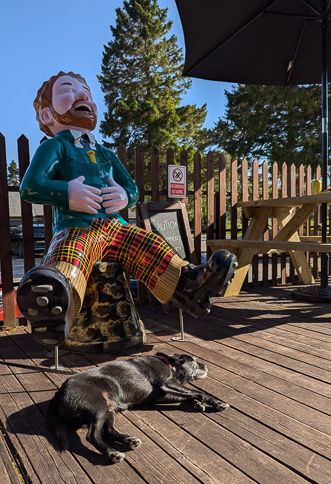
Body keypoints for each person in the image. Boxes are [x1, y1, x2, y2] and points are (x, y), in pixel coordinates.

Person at [17, 71, 237, 346]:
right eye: (69, 90)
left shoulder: (106, 153)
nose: (83, 95)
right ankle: (55, 304)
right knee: (71, 256)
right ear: (48, 115)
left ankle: (187, 285)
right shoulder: (54, 147)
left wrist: (123, 196)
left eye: (87, 92)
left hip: (116, 228)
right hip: (77, 227)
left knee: (149, 245)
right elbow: (30, 186)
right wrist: (68, 193)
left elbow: (131, 188)